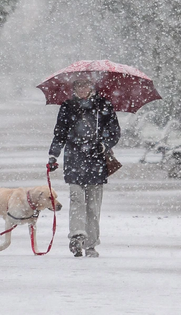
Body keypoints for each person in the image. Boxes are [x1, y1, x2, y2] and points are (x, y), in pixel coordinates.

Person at [47, 76, 120, 258]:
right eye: (78, 85)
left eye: (85, 85)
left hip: (96, 162)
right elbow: (60, 133)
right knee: (77, 200)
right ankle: (77, 236)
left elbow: (114, 131)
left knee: (93, 206)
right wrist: (53, 155)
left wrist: (105, 144)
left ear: (92, 86)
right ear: (74, 87)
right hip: (74, 161)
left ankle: (91, 244)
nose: (82, 88)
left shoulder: (104, 105)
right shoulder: (68, 106)